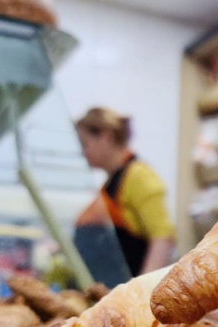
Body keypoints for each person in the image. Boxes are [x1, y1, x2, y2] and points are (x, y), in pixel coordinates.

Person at [74, 108, 175, 282]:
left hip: (126, 293)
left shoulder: (138, 175)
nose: (83, 153)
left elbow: (163, 238)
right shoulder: (112, 182)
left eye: (85, 144)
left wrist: (142, 291)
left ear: (106, 136)